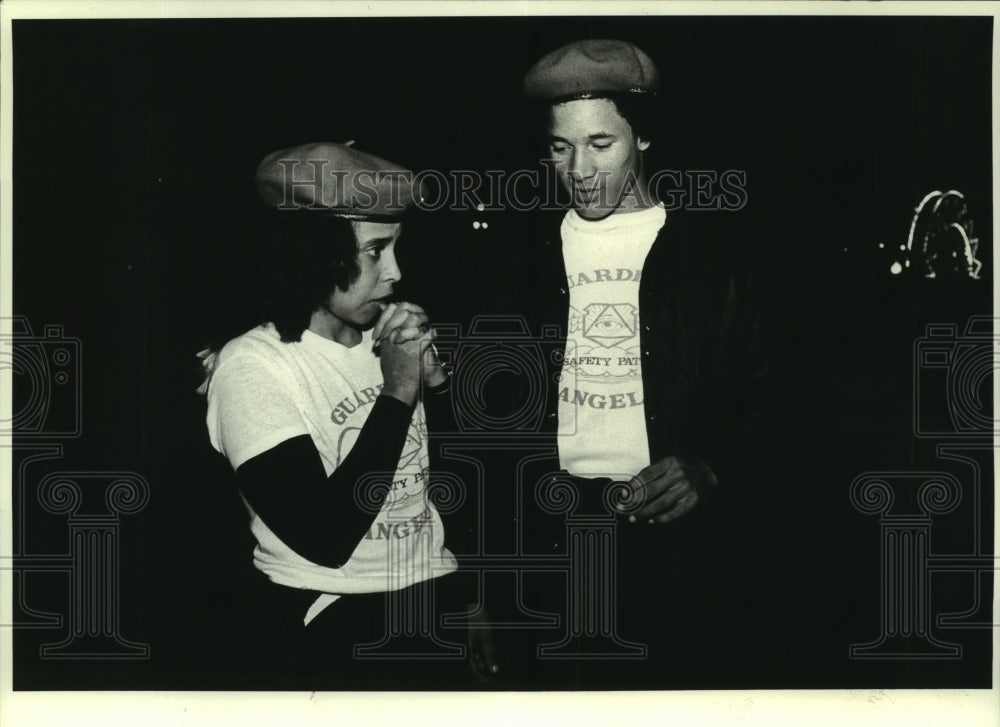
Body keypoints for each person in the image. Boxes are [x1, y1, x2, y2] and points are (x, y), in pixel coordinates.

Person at [500, 40, 774, 687]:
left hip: (675, 550)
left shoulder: (718, 264)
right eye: (561, 147)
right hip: (551, 546)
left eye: (602, 144)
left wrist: (711, 466)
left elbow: (775, 406)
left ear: (644, 137)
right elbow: (486, 432)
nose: (580, 169)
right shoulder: (521, 265)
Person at [201, 142, 497, 688]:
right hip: (333, 623)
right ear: (312, 253)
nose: (396, 273)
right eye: (375, 251)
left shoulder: (389, 337)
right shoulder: (251, 367)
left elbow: (439, 490)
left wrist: (468, 595)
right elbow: (325, 534)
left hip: (434, 599)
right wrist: (401, 388)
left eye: (396, 248)